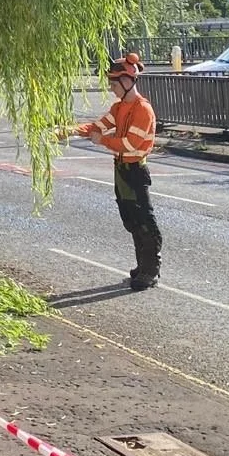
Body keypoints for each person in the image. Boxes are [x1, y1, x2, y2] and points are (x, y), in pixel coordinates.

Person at [74, 51, 162, 290]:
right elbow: (99, 126)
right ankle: (141, 265)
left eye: (114, 83)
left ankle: (151, 269)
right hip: (121, 168)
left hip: (135, 169)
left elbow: (130, 144)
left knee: (144, 219)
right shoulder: (119, 107)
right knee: (130, 218)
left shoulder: (143, 110)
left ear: (127, 81)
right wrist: (71, 130)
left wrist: (101, 141)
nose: (111, 87)